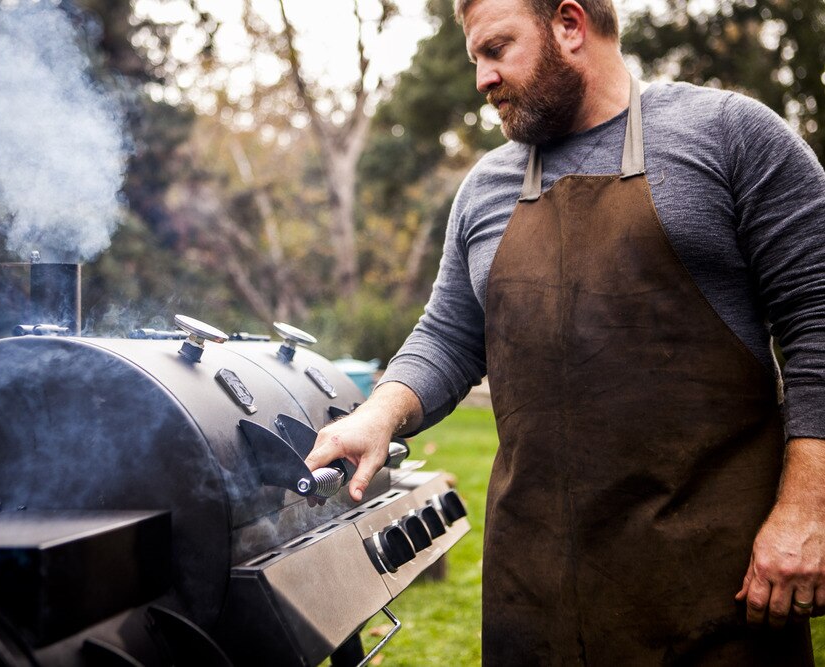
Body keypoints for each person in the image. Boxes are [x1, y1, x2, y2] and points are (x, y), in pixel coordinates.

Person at [304, 0, 825, 663]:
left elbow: (817, 321)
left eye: (496, 50)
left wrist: (808, 512)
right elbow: (446, 336)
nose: (481, 79)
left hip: (713, 597)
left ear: (570, 26)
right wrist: (376, 415)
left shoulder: (729, 137)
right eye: (475, 60)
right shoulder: (485, 189)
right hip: (536, 602)